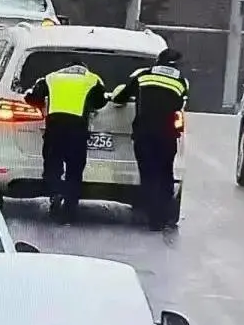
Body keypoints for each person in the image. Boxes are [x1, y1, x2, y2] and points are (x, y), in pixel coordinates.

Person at [112, 48, 189, 231]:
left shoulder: (143, 75)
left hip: (144, 133)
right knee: (165, 175)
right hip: (167, 135)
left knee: (148, 175)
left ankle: (151, 214)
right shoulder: (181, 82)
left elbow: (119, 97)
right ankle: (161, 217)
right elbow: (180, 105)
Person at [24, 62, 108, 224]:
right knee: (74, 172)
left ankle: (55, 194)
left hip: (55, 129)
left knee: (53, 167)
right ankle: (70, 210)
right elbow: (101, 102)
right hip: (77, 132)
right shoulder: (92, 79)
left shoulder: (51, 78)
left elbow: (33, 98)